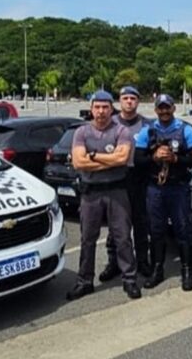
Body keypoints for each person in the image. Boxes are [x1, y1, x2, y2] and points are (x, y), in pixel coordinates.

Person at [67, 90, 141, 300]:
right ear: (91, 109)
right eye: (97, 107)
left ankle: (129, 279)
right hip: (91, 194)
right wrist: (108, 159)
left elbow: (122, 159)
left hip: (117, 190)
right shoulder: (81, 132)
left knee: (123, 237)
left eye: (105, 107)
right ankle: (85, 281)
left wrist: (93, 157)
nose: (101, 112)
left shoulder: (121, 131)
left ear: (111, 109)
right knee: (87, 239)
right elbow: (78, 163)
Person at [135, 93, 192, 291]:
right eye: (160, 108)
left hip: (178, 187)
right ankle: (157, 269)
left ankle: (187, 271)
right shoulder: (148, 131)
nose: (164, 111)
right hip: (155, 188)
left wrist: (176, 159)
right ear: (155, 110)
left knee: (183, 229)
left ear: (173, 108)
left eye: (167, 107)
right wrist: (154, 157)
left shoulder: (185, 130)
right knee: (156, 230)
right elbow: (138, 161)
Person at [99, 85, 152, 282]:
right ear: (119, 101)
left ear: (138, 101)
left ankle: (143, 261)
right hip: (115, 180)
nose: (129, 101)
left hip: (139, 181)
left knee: (140, 223)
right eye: (125, 98)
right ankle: (114, 262)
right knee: (116, 226)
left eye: (133, 98)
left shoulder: (147, 125)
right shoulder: (109, 123)